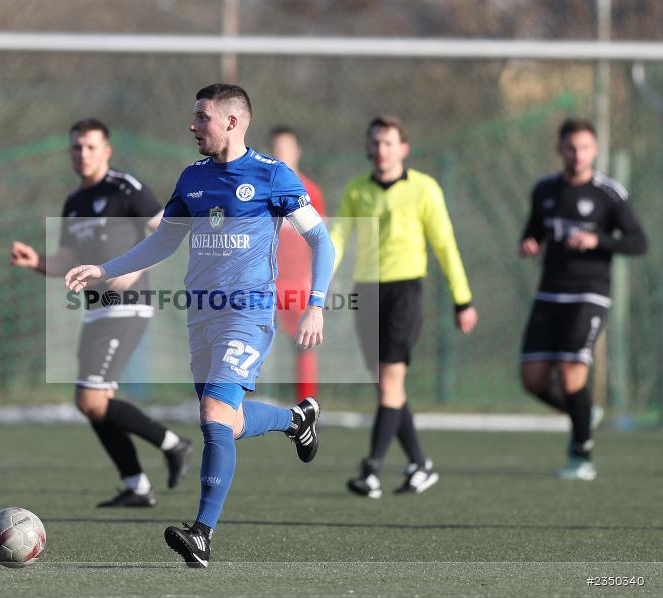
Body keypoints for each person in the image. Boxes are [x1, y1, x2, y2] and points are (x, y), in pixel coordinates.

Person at [65, 84, 335, 567]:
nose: (192, 126)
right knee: (229, 421)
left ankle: (202, 533)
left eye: (202, 117)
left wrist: (316, 303)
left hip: (248, 313)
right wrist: (104, 269)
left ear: (232, 121)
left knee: (213, 415)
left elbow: (321, 240)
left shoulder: (273, 175)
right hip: (200, 316)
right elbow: (163, 242)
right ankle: (297, 420)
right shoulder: (192, 178)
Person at [10, 118, 193, 508]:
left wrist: (134, 269)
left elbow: (166, 231)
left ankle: (173, 443)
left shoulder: (125, 187)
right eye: (76, 147)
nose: (83, 154)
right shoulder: (74, 203)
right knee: (96, 406)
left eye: (91, 146)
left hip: (128, 306)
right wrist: (36, 261)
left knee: (90, 400)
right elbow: (67, 260)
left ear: (106, 150)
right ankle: (137, 485)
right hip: (95, 311)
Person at [331, 115, 478, 499]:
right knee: (388, 387)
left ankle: (372, 471)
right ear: (368, 147)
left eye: (389, 143)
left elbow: (445, 244)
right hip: (366, 292)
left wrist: (462, 298)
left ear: (403, 148)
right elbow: (339, 237)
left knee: (391, 381)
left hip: (405, 293)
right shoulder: (356, 189)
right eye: (376, 142)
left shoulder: (424, 188)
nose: (382, 150)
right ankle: (420, 464)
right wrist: (320, 281)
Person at [519, 118, 646, 481]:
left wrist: (598, 241)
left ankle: (581, 455)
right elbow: (534, 231)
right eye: (571, 148)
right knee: (532, 379)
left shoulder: (609, 193)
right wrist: (529, 243)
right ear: (560, 149)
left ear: (595, 150)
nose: (578, 155)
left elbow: (638, 242)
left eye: (585, 148)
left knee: (571, 371)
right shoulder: (544, 189)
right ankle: (583, 412)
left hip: (589, 293)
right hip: (549, 293)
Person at [269, 126, 328, 402]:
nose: (281, 154)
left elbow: (321, 243)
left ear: (297, 152)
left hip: (297, 285)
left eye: (286, 148)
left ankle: (306, 405)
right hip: (264, 282)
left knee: (304, 343)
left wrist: (316, 281)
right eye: (276, 149)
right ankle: (236, 404)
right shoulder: (260, 189)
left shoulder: (310, 191)